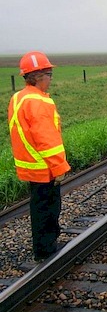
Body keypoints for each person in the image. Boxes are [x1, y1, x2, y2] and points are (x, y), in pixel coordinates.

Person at [8, 51, 71, 261]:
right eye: (49, 74)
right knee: (48, 208)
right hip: (44, 166)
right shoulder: (39, 102)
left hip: (29, 163)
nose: (51, 79)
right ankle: (46, 250)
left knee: (39, 206)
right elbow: (47, 140)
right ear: (38, 76)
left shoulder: (18, 98)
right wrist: (59, 167)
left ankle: (43, 245)